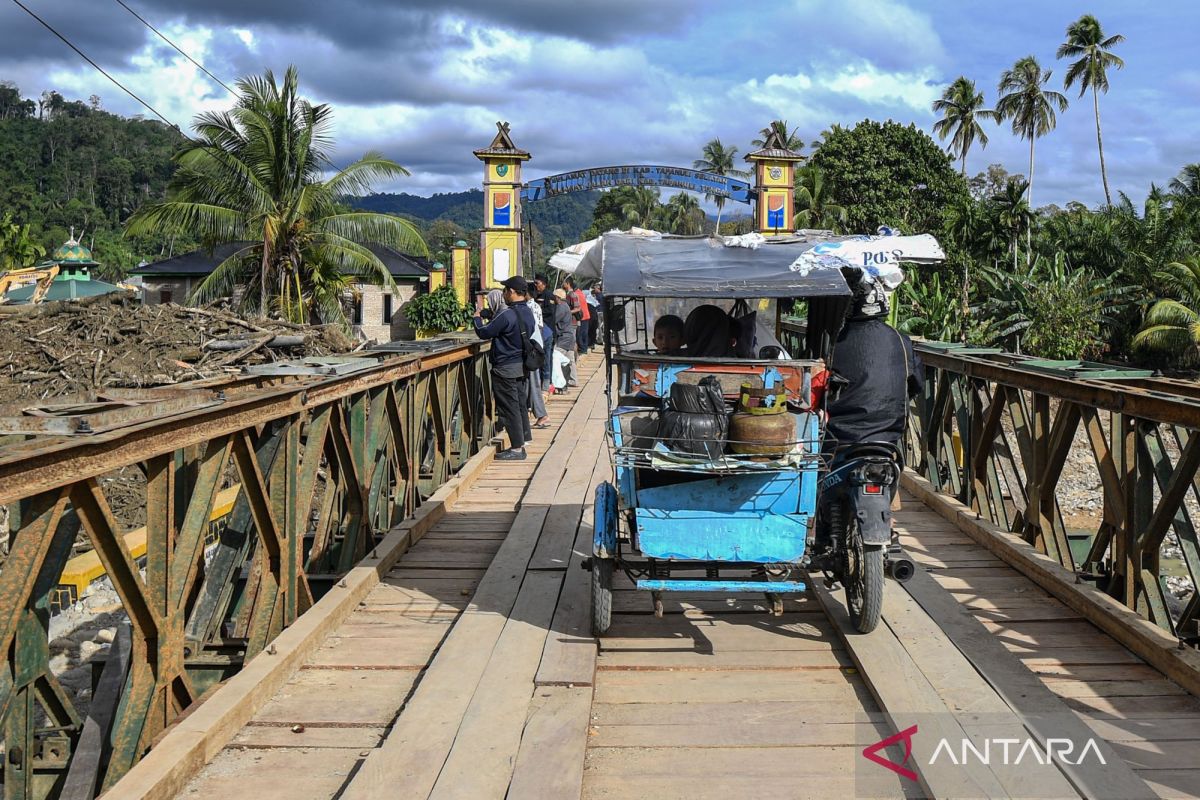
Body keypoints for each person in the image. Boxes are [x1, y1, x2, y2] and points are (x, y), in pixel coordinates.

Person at [823, 272, 922, 453]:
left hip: (841, 437)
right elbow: (916, 384)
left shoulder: (834, 342)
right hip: (888, 437)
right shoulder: (901, 340)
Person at [473, 276, 537, 461]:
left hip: (505, 367)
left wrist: (477, 319)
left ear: (511, 292)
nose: (504, 294)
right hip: (520, 364)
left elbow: (484, 332)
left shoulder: (508, 314)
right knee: (519, 404)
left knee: (509, 407)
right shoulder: (528, 312)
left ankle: (517, 449)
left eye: (505, 290)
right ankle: (524, 438)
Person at [525, 294, 551, 428]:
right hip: (537, 345)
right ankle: (537, 414)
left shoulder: (527, 307)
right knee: (533, 383)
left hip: (532, 349)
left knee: (533, 384)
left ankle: (542, 415)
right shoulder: (535, 306)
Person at [552, 288, 578, 388]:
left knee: (556, 357)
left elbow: (554, 319)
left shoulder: (561, 307)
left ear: (557, 297)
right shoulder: (566, 306)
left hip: (564, 337)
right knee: (570, 359)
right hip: (570, 336)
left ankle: (558, 382)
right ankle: (573, 379)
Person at [564, 276, 591, 355]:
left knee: (579, 335)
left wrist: (567, 312)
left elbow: (578, 308)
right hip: (585, 315)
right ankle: (584, 348)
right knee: (584, 334)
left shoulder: (574, 295)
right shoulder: (580, 293)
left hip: (580, 317)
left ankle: (582, 349)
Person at [586, 281, 603, 350]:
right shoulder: (602, 295)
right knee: (600, 327)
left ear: (598, 288)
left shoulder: (597, 296)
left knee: (598, 328)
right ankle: (599, 339)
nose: (594, 289)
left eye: (595, 288)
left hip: (598, 312)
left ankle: (599, 339)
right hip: (601, 312)